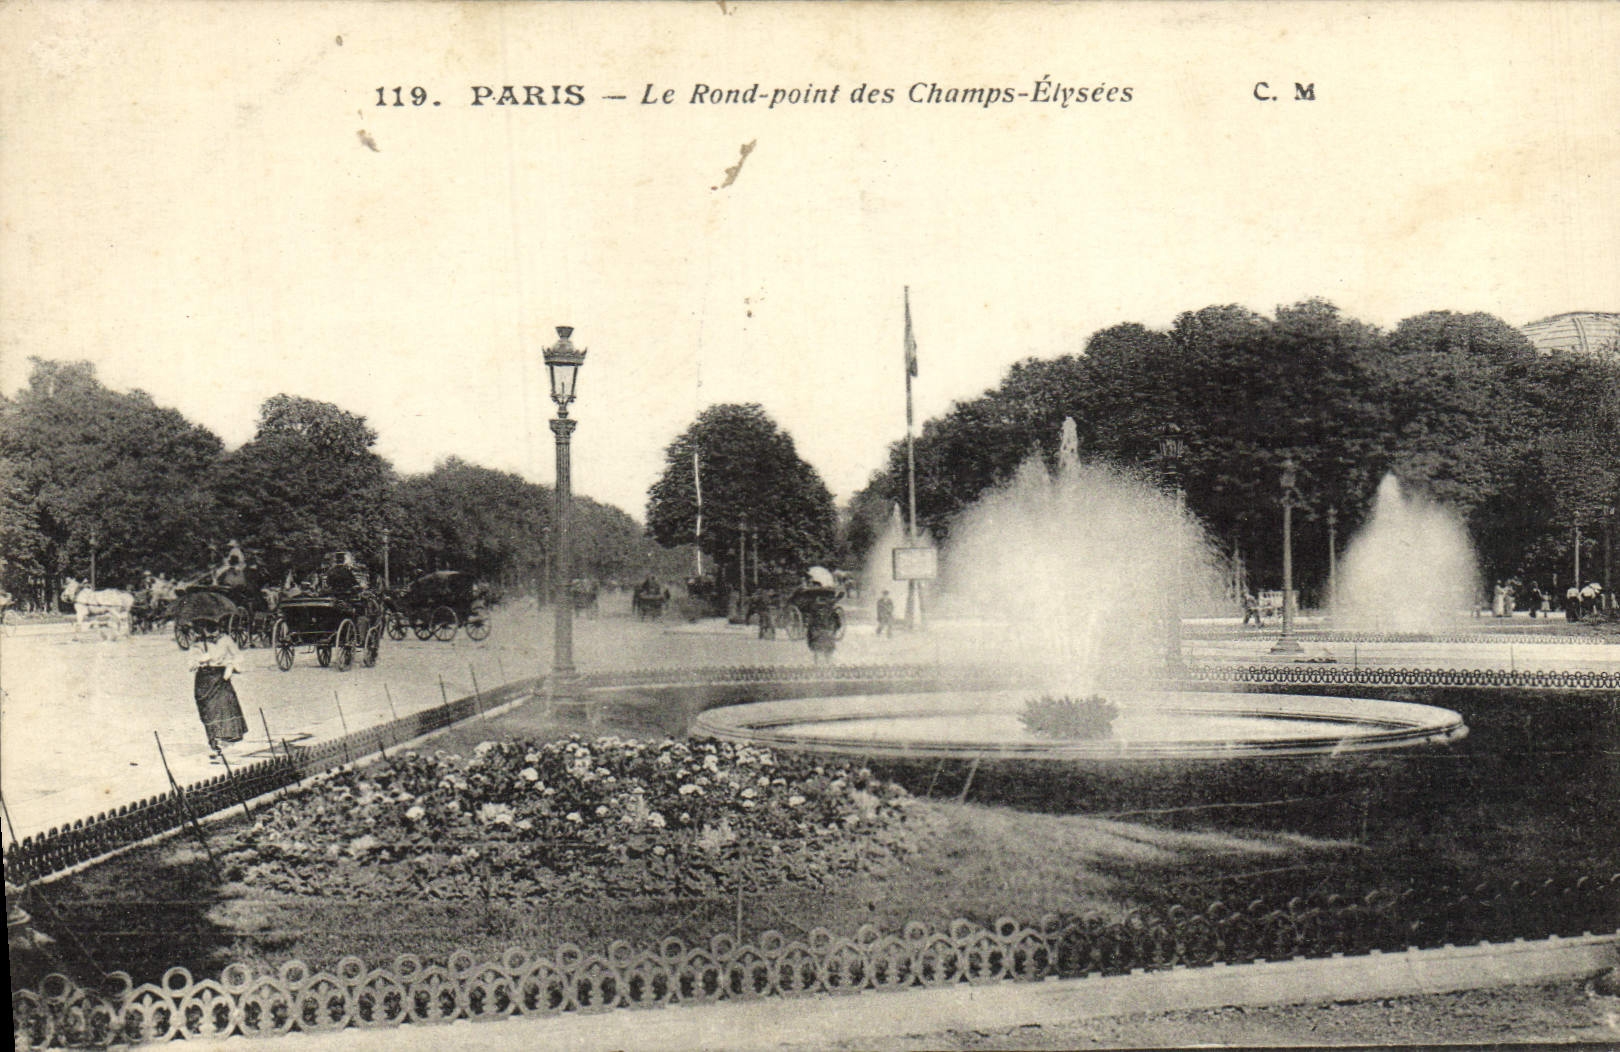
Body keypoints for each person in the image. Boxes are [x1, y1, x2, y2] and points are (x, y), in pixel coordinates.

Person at [189, 620, 247, 754]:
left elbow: (238, 656)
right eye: (208, 629)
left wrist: (230, 665)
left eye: (215, 629)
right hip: (204, 681)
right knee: (208, 710)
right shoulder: (197, 644)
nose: (213, 633)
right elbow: (190, 666)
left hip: (221, 678)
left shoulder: (225, 640)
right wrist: (200, 659)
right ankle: (213, 739)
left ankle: (225, 739)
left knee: (224, 707)